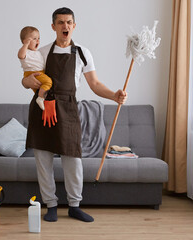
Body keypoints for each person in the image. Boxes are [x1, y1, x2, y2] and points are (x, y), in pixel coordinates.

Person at [22, 7, 127, 223]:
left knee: (73, 160)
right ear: (53, 27)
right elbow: (27, 76)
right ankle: (50, 204)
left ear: (74, 26)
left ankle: (74, 205)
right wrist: (26, 82)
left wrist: (114, 95)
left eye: (69, 22)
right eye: (60, 22)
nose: (65, 26)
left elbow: (95, 84)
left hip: (68, 109)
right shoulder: (41, 52)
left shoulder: (82, 53)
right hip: (44, 108)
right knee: (43, 160)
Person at [18, 26, 53, 110]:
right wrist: (25, 45)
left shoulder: (38, 52)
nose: (37, 41)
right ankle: (40, 99)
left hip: (41, 73)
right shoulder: (25, 51)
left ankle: (41, 99)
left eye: (38, 38)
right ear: (25, 41)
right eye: (34, 39)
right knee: (48, 82)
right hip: (32, 73)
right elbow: (20, 55)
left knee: (40, 91)